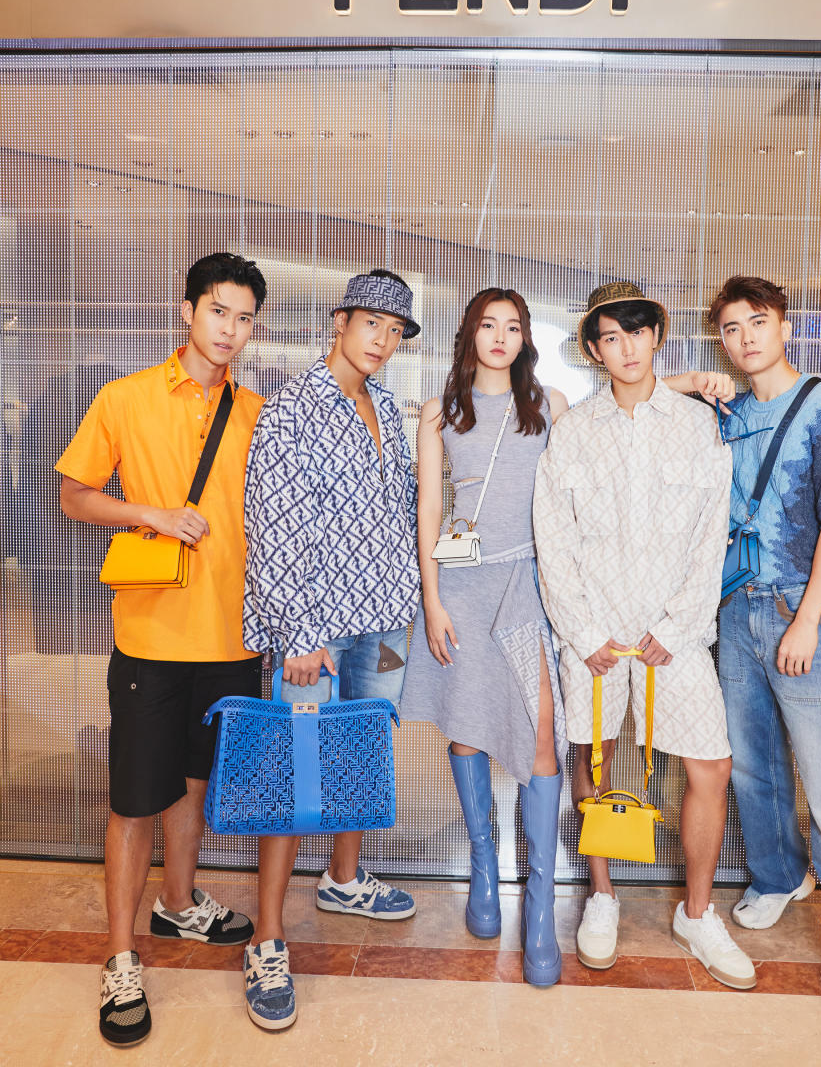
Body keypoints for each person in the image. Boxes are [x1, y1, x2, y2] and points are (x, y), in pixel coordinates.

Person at [56, 252, 267, 1048]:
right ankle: (121, 956)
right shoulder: (126, 397)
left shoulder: (255, 410)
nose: (232, 331)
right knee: (134, 799)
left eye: (246, 319)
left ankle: (179, 902)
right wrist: (150, 513)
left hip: (233, 637)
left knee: (194, 781)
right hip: (149, 636)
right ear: (187, 311)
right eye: (220, 312)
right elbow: (75, 495)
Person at [533, 280, 756, 989]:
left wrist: (678, 624)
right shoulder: (573, 431)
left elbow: (709, 536)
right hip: (594, 632)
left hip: (675, 636)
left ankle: (696, 912)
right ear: (595, 351)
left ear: (657, 337)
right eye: (610, 337)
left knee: (709, 767)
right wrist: (583, 629)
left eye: (636, 332)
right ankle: (601, 896)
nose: (625, 348)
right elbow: (553, 538)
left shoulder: (697, 426)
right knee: (593, 763)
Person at [707, 275, 821, 1028]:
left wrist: (810, 617)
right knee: (753, 764)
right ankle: (779, 875)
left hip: (796, 609)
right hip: (731, 611)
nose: (746, 337)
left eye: (759, 322)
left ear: (785, 325)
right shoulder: (727, 412)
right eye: (730, 328)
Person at [242, 268, 421, 1030]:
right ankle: (267, 938)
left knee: (360, 754)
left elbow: (401, 508)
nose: (382, 340)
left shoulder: (385, 405)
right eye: (372, 323)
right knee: (292, 772)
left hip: (383, 622)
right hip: (313, 629)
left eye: (395, 330)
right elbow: (273, 524)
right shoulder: (289, 410)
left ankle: (344, 878)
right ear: (340, 320)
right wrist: (298, 636)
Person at [401, 288, 569, 987]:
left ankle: (538, 904)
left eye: (514, 326)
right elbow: (430, 509)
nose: (500, 337)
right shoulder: (442, 413)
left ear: (526, 337)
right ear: (469, 335)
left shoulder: (551, 405)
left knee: (540, 733)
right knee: (466, 729)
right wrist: (433, 602)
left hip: (529, 581)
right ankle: (481, 863)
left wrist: (680, 381)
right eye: (487, 325)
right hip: (461, 591)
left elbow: (621, 413)